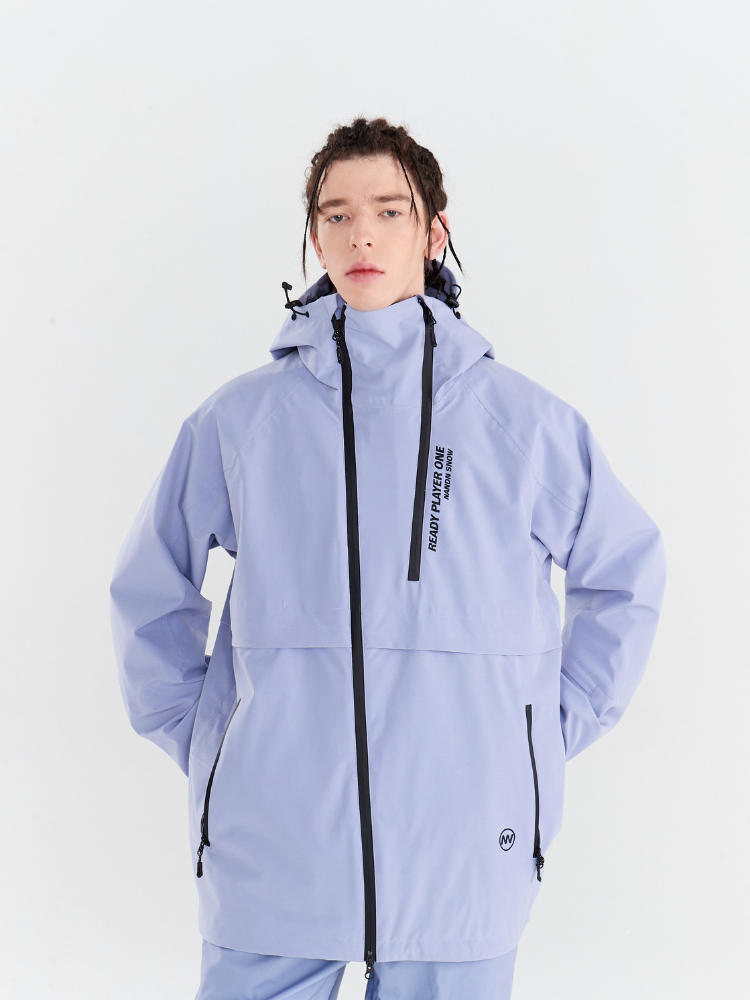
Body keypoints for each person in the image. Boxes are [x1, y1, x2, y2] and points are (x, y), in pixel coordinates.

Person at [110, 117, 666, 1000]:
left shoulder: (523, 424)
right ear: (314, 237)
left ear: (433, 233)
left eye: (388, 210)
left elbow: (624, 574)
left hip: (464, 852)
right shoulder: (241, 420)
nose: (360, 234)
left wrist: (537, 737)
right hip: (274, 849)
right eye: (335, 215)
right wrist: (213, 742)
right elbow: (149, 589)